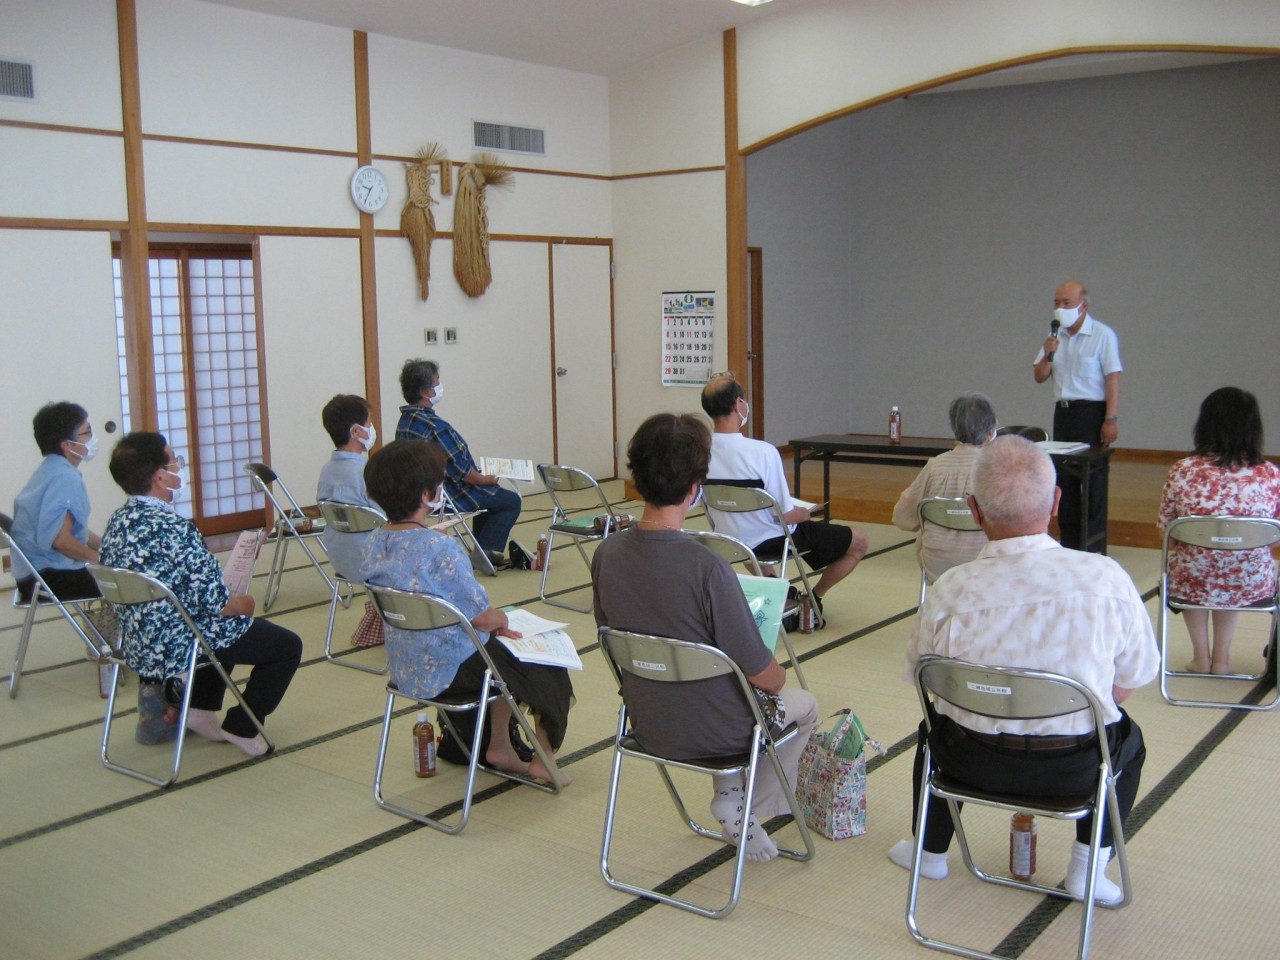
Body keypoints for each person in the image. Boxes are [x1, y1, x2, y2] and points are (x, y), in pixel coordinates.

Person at [886, 435, 1157, 904]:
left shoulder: (949, 590)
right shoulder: (1104, 578)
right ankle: (1087, 870)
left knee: (933, 731)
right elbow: (1128, 684)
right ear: (1056, 502)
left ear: (974, 509)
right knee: (1127, 743)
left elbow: (924, 682)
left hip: (967, 763)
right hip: (1075, 769)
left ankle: (928, 852)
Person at [592, 413, 819, 863]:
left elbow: (612, 642)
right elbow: (767, 680)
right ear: (696, 488)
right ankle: (746, 809)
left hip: (648, 720)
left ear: (636, 478)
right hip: (721, 733)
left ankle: (731, 797)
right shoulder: (708, 568)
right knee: (804, 705)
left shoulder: (606, 554)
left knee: (718, 684)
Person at [361, 439, 572, 784]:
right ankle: (544, 757)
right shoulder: (439, 547)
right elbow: (483, 616)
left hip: (405, 664)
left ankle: (500, 745)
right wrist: (502, 621)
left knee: (501, 651)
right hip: (451, 670)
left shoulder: (373, 543)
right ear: (429, 494)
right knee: (542, 655)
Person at [99, 432, 302, 756]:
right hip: (180, 641)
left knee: (223, 628)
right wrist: (242, 603)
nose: (179, 465)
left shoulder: (116, 522)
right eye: (173, 460)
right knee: (286, 646)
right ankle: (243, 725)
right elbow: (218, 603)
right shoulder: (176, 528)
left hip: (140, 642)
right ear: (160, 475)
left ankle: (200, 710)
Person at [700, 373, 868, 615]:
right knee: (860, 540)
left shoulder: (700, 450)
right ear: (738, 404)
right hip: (773, 539)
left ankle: (779, 590)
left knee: (746, 531)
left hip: (729, 539)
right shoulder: (763, 452)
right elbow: (785, 516)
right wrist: (804, 513)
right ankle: (813, 598)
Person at [1158, 387, 1280, 675]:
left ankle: (1200, 657)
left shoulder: (1183, 470)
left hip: (1192, 578)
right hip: (1250, 580)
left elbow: (1168, 534)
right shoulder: (1271, 475)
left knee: (1192, 564)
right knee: (1236, 564)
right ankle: (1221, 660)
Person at [395, 358, 521, 570]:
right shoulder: (436, 427)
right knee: (510, 501)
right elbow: (464, 473)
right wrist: (486, 478)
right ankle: (487, 552)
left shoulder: (406, 422)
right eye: (437, 382)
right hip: (448, 493)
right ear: (426, 391)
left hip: (417, 491)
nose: (440, 386)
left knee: (491, 498)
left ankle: (483, 549)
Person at [1032, 280, 1121, 552]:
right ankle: (1069, 542)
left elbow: (1113, 378)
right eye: (1056, 303)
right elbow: (1039, 376)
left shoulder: (1102, 335)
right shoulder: (1054, 337)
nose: (1060, 308)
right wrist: (1048, 353)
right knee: (1064, 480)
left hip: (1091, 413)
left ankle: (1092, 543)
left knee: (1093, 481)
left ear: (1083, 305)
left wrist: (1111, 419)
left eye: (1066, 303)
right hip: (1064, 413)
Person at [892, 393, 995, 584]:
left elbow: (902, 517)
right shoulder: (996, 467)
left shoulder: (935, 466)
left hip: (937, 565)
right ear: (991, 432)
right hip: (986, 563)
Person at [11, 402, 103, 604]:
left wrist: (106, 547)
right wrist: (103, 561)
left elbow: (74, 530)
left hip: (30, 576)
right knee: (128, 584)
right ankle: (115, 636)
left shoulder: (49, 469)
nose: (92, 438)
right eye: (86, 432)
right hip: (47, 578)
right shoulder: (65, 477)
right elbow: (61, 541)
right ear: (67, 445)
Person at [317, 393, 381, 584]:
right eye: (369, 423)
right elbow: (389, 520)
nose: (371, 428)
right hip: (373, 561)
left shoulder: (326, 470)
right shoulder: (367, 472)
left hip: (341, 560)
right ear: (356, 432)